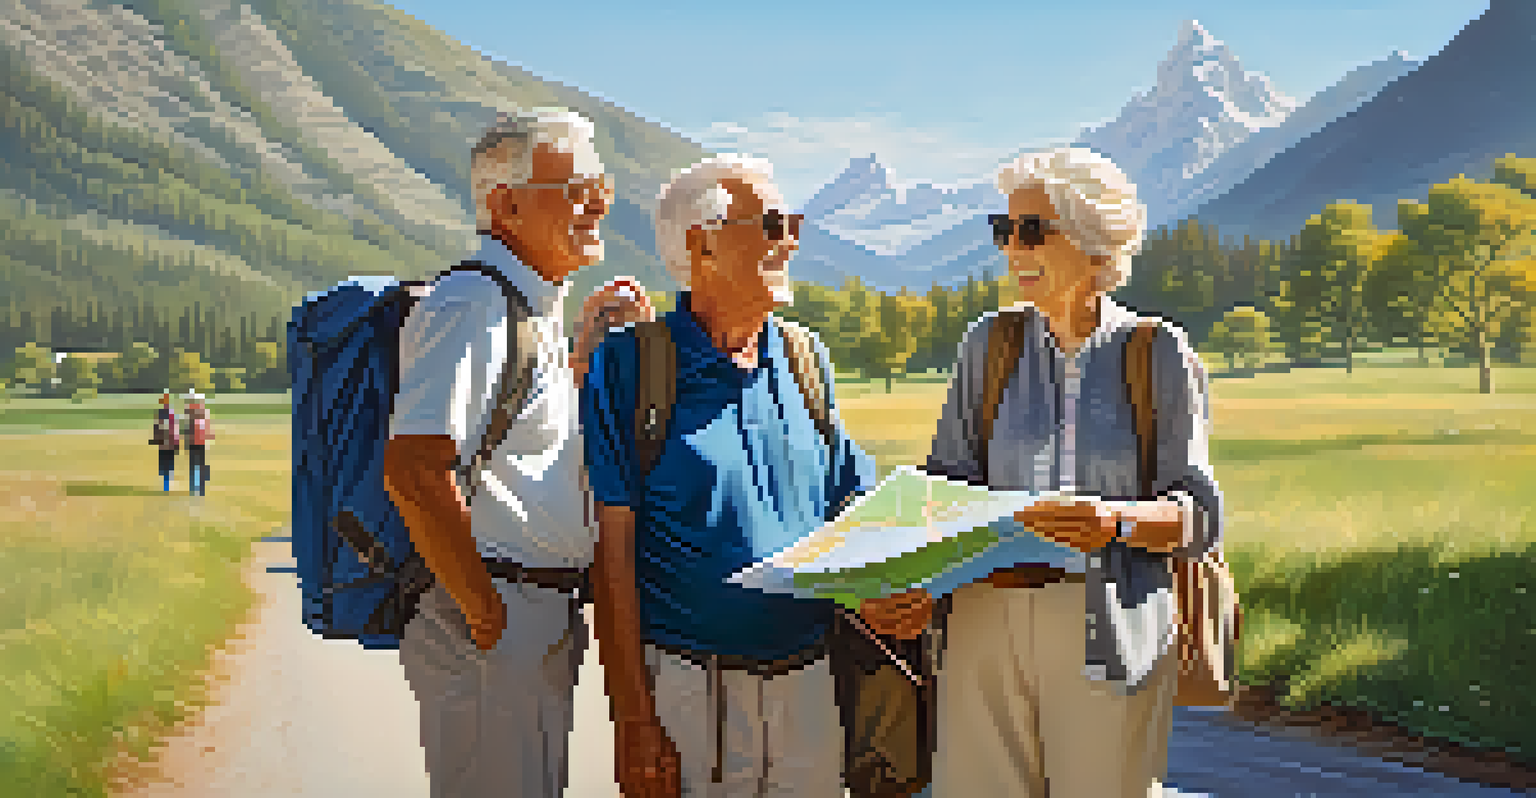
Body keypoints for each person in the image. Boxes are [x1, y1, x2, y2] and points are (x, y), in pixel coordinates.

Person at [861, 146, 1224, 797]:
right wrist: (914, 584)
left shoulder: (1156, 351)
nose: (1011, 248)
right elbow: (944, 489)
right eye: (1005, 230)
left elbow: (1196, 514)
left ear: (1093, 242)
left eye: (1032, 230)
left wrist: (1112, 520)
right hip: (981, 622)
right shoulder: (989, 344)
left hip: (1107, 623)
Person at [582, 154, 876, 798]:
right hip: (691, 695)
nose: (791, 239)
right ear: (702, 243)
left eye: (792, 222)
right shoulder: (629, 366)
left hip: (811, 686)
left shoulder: (805, 357)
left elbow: (854, 502)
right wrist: (633, 719)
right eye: (772, 223)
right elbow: (612, 559)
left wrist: (892, 586)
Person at [380, 109, 651, 798]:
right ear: (506, 204)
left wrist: (582, 357)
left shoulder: (530, 308)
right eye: (576, 185)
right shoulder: (473, 303)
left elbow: (523, 447)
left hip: (528, 615)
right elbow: (414, 470)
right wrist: (486, 615)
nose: (598, 200)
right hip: (499, 615)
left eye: (602, 183)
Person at [182, 391, 215, 496]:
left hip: (198, 442)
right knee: (197, 465)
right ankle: (198, 488)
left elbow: (206, 427)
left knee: (196, 465)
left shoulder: (193, 412)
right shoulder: (195, 412)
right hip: (197, 442)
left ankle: (197, 488)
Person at [149, 390, 180, 492]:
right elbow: (157, 428)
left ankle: (167, 484)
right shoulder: (166, 414)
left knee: (167, 465)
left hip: (166, 443)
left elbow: (159, 428)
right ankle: (167, 483)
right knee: (166, 465)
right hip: (166, 443)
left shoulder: (166, 414)